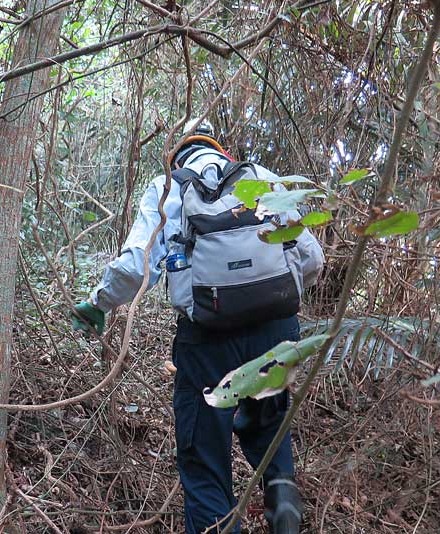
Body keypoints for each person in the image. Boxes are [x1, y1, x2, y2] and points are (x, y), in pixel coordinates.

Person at [72, 119, 324, 533]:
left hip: (208, 340)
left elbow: (137, 267)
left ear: (178, 154)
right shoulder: (262, 178)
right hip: (276, 332)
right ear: (222, 151)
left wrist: (99, 303)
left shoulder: (168, 187)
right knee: (268, 424)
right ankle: (282, 502)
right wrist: (271, 299)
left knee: (206, 460)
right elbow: (311, 259)